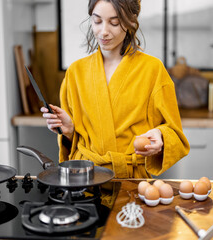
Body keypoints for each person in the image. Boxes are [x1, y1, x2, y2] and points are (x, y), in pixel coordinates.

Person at [41, 0, 190, 178]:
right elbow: (74, 143)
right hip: (85, 179)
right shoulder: (75, 72)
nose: (103, 31)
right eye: (97, 21)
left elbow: (175, 134)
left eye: (114, 22)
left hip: (131, 181)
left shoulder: (153, 70)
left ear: (131, 22)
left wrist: (161, 136)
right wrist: (69, 130)